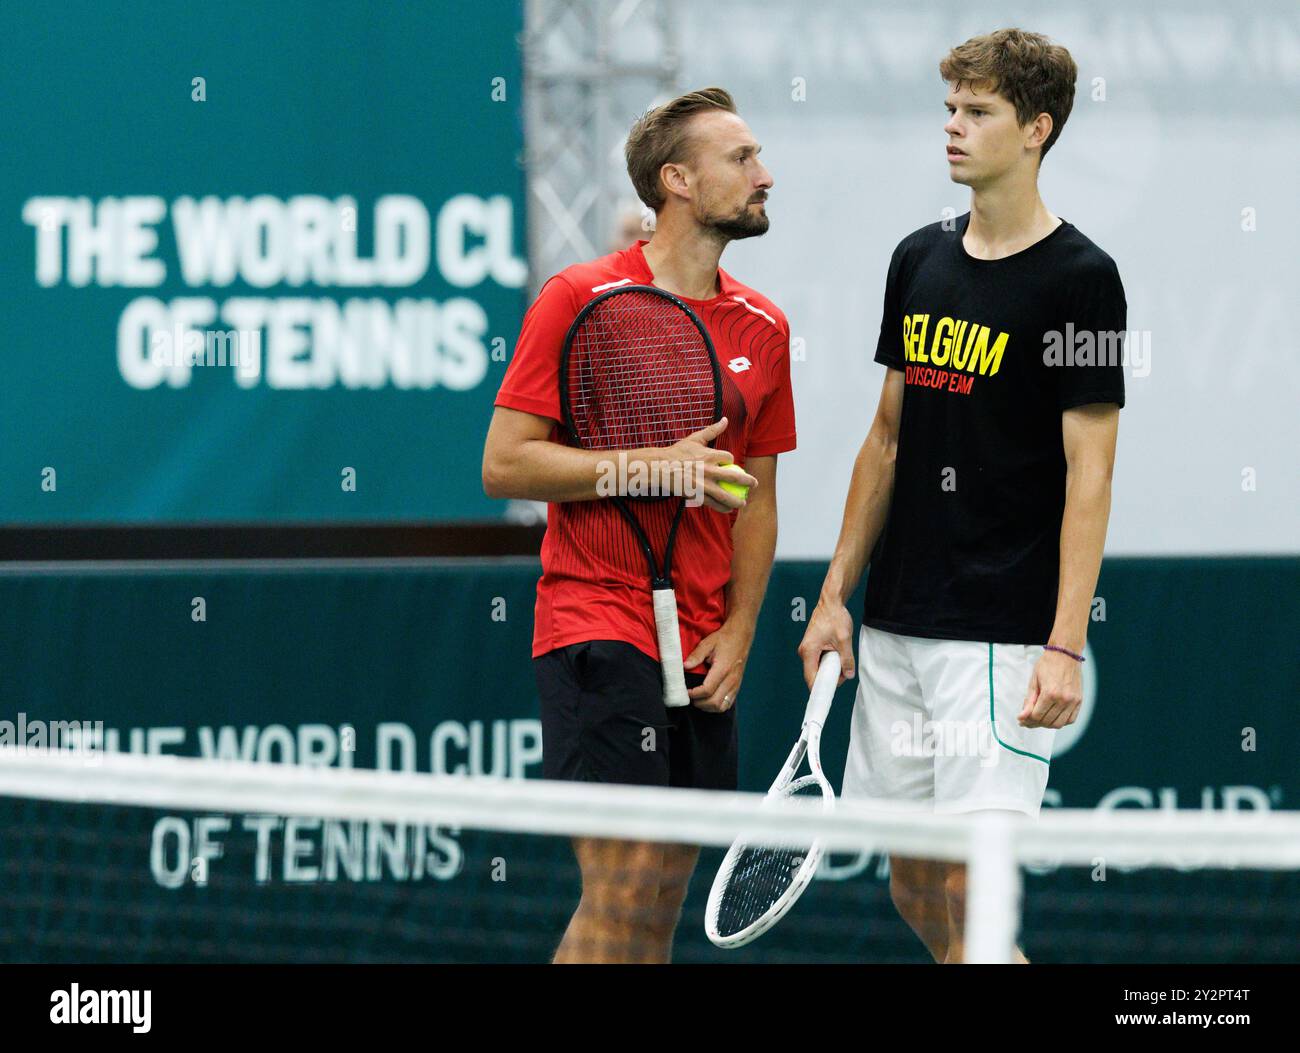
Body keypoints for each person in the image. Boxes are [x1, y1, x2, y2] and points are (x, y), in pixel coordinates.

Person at [798, 28, 1126, 964]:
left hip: (1001, 634)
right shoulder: (918, 258)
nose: (952, 127)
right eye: (950, 108)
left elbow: (1090, 475)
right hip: (898, 623)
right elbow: (888, 437)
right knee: (914, 882)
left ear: (1036, 129)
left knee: (971, 896)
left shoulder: (1083, 281)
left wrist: (1064, 643)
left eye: (977, 112)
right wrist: (833, 599)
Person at [483, 87, 796, 963]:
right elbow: (505, 461)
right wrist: (652, 465)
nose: (764, 175)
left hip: (698, 642)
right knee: (620, 888)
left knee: (658, 896)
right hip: (596, 619)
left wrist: (739, 630)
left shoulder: (765, 327)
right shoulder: (577, 299)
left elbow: (758, 497)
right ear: (678, 181)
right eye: (741, 160)